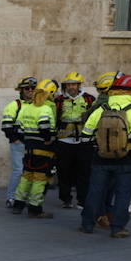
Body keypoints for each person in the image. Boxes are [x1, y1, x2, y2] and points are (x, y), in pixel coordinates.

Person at [79, 73, 131, 238]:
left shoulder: (101, 108)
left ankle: (87, 224)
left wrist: (100, 146)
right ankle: (118, 228)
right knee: (123, 194)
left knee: (95, 192)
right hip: (128, 160)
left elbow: (85, 137)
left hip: (100, 159)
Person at [13, 79, 59, 219]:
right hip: (43, 150)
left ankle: (18, 204)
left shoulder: (27, 107)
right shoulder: (46, 108)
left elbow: (18, 128)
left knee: (26, 177)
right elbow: (44, 127)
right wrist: (48, 140)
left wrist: (27, 141)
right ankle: (35, 208)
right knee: (40, 179)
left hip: (29, 148)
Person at [53, 72, 95, 209]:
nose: (71, 87)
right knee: (63, 172)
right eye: (69, 84)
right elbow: (54, 119)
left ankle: (82, 200)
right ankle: (66, 198)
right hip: (64, 141)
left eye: (74, 84)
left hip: (83, 141)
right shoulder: (58, 100)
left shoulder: (89, 99)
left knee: (83, 172)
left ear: (79, 85)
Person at [1, 76, 36, 210]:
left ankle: (23, 197)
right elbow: (6, 125)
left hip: (33, 144)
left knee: (30, 171)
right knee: (18, 170)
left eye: (33, 88)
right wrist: (14, 139)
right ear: (21, 90)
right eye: (27, 88)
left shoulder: (37, 105)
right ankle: (11, 197)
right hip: (19, 143)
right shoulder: (15, 105)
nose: (30, 91)